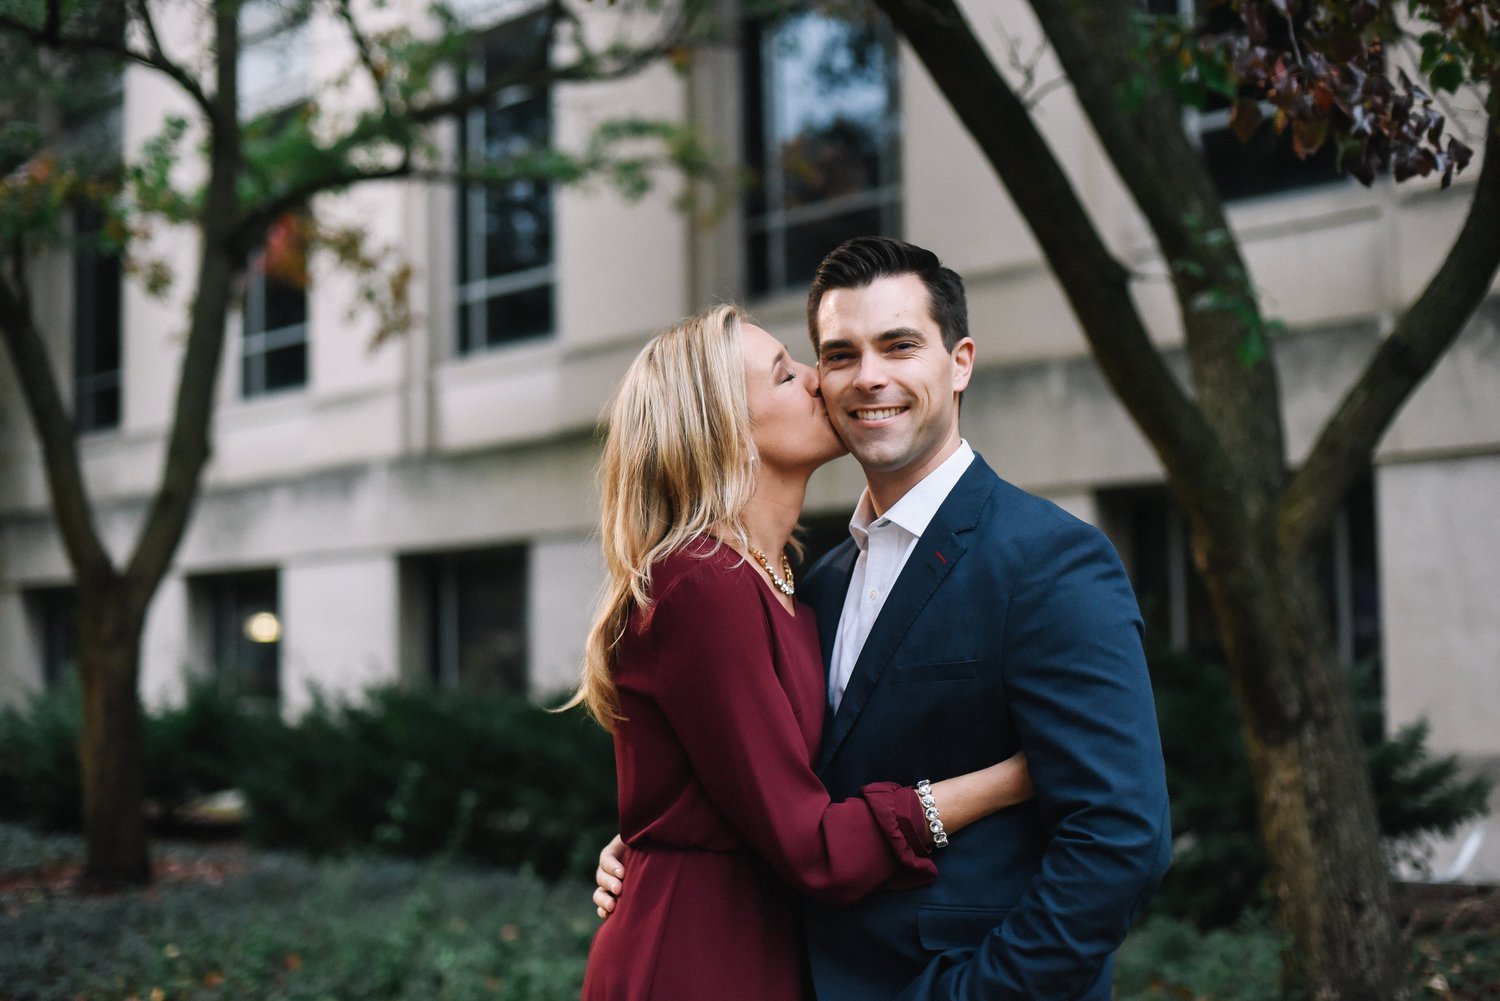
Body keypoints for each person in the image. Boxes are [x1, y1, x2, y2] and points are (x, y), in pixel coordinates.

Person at [594, 238, 1171, 1000]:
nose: (868, 377)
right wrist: (663, 835)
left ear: (960, 361)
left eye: (898, 345)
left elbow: (1119, 838)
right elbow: (780, 792)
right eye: (837, 354)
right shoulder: (812, 588)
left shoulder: (1050, 561)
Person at [567, 304, 1035, 1001]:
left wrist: (661, 828)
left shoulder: (791, 582)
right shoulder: (702, 584)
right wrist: (1018, 776)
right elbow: (811, 841)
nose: (821, 380)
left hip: (765, 942)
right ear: (727, 431)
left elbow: (755, 783)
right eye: (786, 375)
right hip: (699, 959)